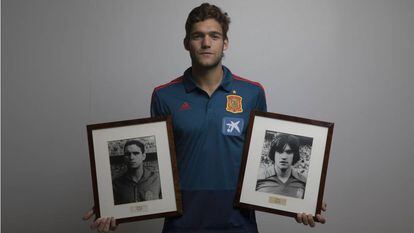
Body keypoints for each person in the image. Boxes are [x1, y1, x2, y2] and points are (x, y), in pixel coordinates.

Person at [83, 3, 326, 232]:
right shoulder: (164, 95)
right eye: (198, 36)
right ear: (186, 43)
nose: (206, 43)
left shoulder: (253, 92)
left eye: (214, 36)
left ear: (225, 43)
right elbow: (158, 168)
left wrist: (301, 201)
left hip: (237, 223)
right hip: (182, 224)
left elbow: (262, 158)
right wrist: (113, 204)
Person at [112, 140, 162, 205]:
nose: (131, 157)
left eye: (136, 153)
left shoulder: (157, 179)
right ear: (124, 158)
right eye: (127, 154)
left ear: (143, 156)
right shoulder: (116, 184)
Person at [256, 134, 306, 199]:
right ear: (273, 153)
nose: (284, 157)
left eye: (288, 152)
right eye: (279, 152)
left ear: (295, 155)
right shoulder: (258, 179)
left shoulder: (304, 182)